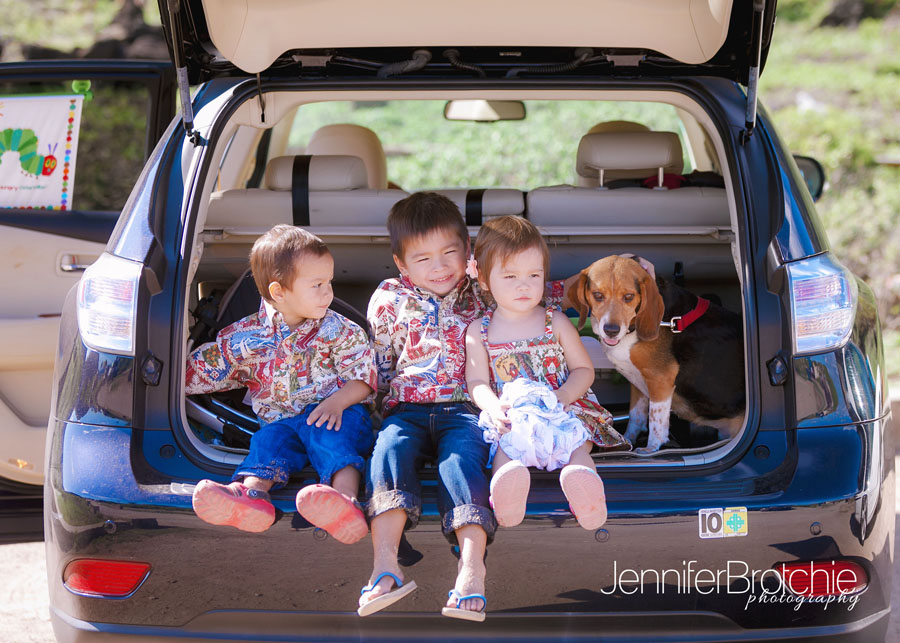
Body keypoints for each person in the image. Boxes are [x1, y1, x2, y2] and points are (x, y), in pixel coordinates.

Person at [360, 193, 581, 621]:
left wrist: (607, 270)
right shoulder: (388, 298)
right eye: (422, 259)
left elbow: (535, 289)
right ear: (401, 264)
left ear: (469, 254)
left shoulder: (484, 289)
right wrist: (374, 413)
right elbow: (380, 364)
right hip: (405, 409)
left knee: (458, 464)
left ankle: (470, 569)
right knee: (387, 453)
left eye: (450, 253)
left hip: (467, 409)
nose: (440, 266)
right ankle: (385, 566)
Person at [186, 224, 377, 545]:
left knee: (332, 440)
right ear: (278, 292)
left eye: (329, 282)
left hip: (336, 413)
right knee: (267, 442)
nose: (328, 293)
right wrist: (227, 354)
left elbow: (366, 382)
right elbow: (197, 376)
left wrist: (338, 402)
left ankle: (344, 502)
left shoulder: (340, 330)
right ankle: (251, 495)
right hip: (282, 422)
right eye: (317, 285)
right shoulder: (245, 337)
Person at [465, 215, 629, 532]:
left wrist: (564, 397)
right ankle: (508, 487)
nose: (524, 284)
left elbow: (583, 369)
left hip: (562, 406)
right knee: (504, 445)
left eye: (534, 274)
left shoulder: (554, 321)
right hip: (516, 413)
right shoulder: (479, 331)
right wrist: (492, 406)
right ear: (484, 279)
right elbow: (476, 381)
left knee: (577, 441)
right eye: (510, 276)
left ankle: (583, 485)